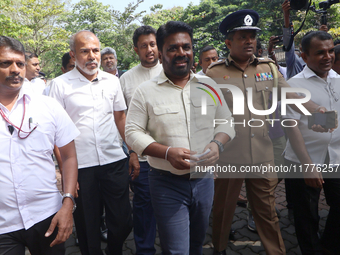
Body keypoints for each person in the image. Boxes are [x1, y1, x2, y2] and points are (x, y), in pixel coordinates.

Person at [206, 9, 326, 255]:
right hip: (229, 156)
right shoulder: (214, 74)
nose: (249, 41)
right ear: (229, 42)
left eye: (252, 36)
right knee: (222, 211)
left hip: (262, 154)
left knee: (267, 213)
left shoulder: (268, 68)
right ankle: (218, 249)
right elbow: (206, 118)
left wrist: (318, 110)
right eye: (242, 36)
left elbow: (291, 94)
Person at [125, 21, 235, 254]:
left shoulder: (208, 85)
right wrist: (166, 153)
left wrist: (217, 144)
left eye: (186, 46)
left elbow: (226, 121)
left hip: (204, 182)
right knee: (176, 250)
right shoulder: (145, 91)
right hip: (166, 183)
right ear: (162, 53)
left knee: (197, 244)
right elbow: (132, 132)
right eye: (173, 48)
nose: (181, 53)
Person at [49, 30, 139, 255]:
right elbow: (54, 133)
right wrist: (67, 174)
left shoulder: (112, 81)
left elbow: (120, 118)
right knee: (88, 226)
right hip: (81, 167)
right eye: (84, 51)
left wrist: (133, 152)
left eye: (95, 50)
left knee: (123, 220)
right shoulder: (59, 86)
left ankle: (114, 250)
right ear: (73, 54)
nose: (92, 56)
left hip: (114, 160)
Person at [0, 36, 79, 254]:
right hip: (3, 226)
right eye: (5, 63)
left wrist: (68, 203)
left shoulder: (48, 106)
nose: (15, 69)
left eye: (20, 64)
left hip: (48, 216)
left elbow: (70, 156)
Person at [284, 31, 340, 255]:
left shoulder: (337, 79)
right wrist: (307, 165)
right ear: (304, 57)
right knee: (307, 216)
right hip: (302, 160)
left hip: (335, 157)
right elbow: (292, 126)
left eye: (330, 51)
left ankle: (328, 245)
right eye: (320, 53)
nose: (327, 56)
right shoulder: (294, 85)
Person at [120, 25, 162, 255]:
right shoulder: (126, 80)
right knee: (144, 207)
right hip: (142, 160)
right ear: (136, 49)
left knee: (169, 209)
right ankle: (145, 251)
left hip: (171, 157)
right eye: (144, 45)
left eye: (153, 44)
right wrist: (132, 154)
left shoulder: (172, 71)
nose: (149, 49)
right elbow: (122, 120)